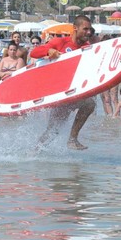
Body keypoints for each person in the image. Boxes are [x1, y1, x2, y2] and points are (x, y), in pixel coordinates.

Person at [30, 14, 96, 150]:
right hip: (60, 93)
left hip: (74, 92)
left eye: (90, 29)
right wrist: (49, 51)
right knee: (53, 130)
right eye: (85, 29)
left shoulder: (87, 47)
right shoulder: (61, 42)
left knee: (89, 104)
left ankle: (72, 140)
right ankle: (34, 152)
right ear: (75, 28)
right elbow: (34, 52)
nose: (88, 32)